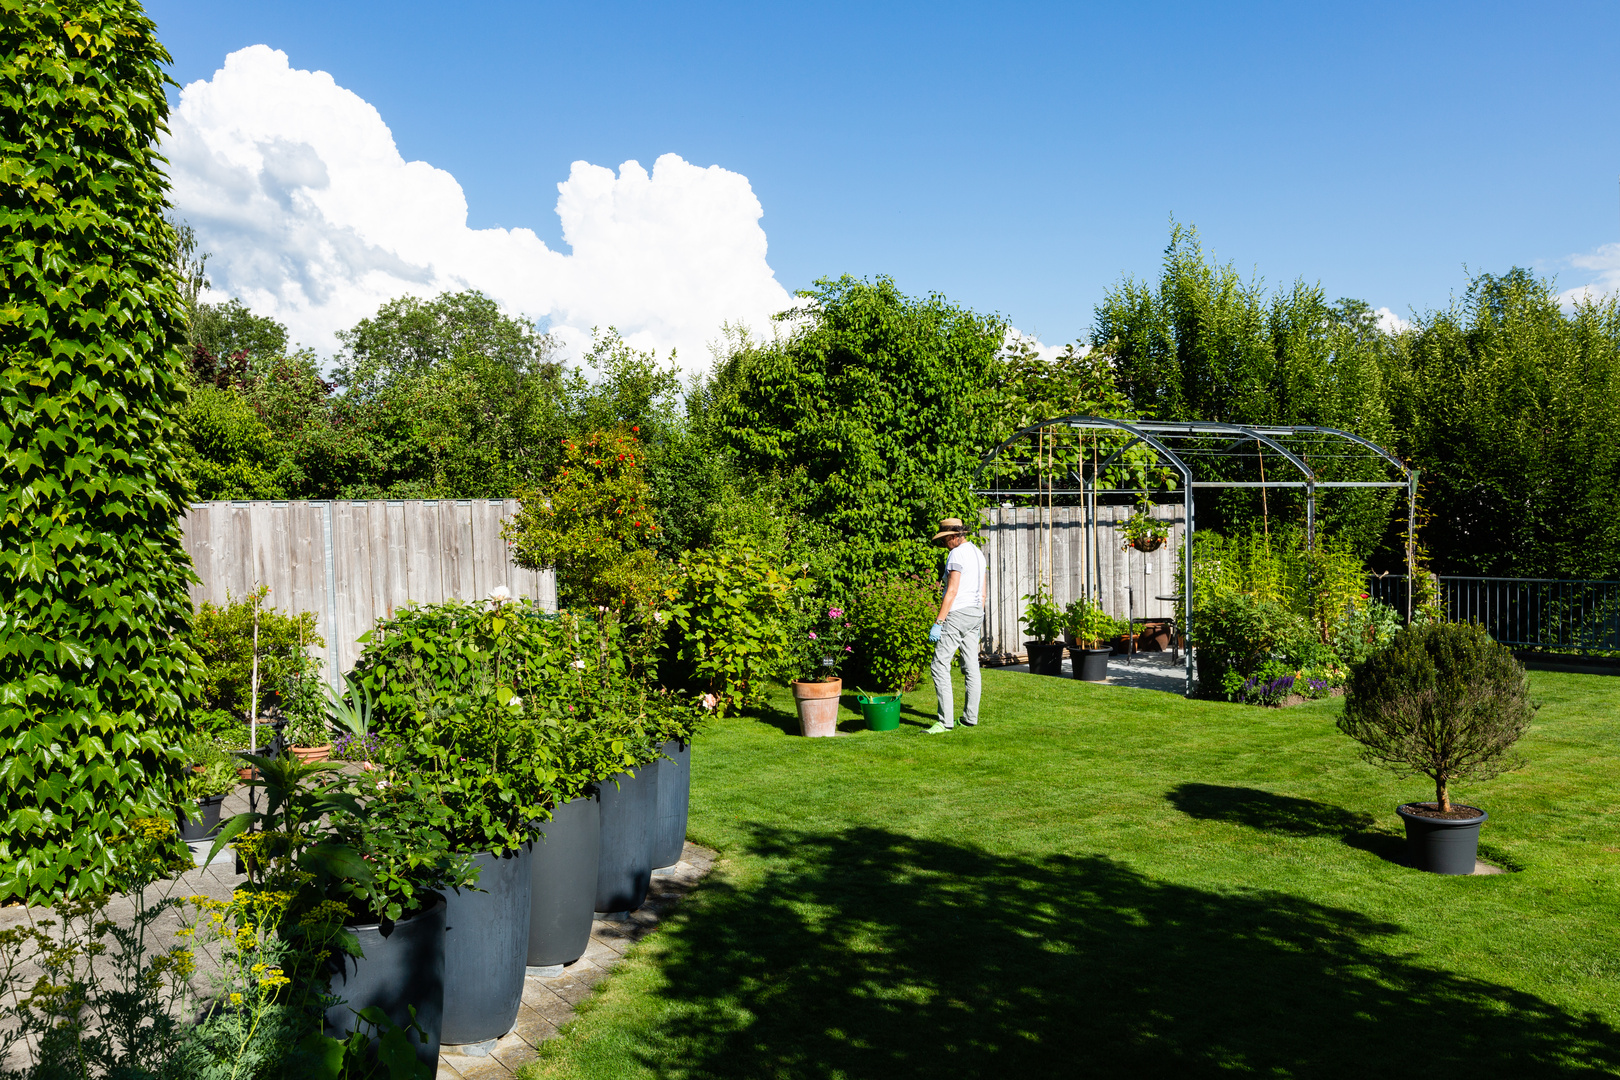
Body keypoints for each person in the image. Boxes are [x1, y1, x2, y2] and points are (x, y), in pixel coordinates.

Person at [925, 517, 988, 734]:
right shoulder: (978, 553)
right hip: (975, 613)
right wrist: (979, 614)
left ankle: (945, 722)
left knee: (939, 665)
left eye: (945, 540)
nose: (944, 545)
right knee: (971, 666)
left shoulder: (956, 554)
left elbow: (952, 591)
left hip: (957, 613)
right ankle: (970, 718)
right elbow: (983, 591)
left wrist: (938, 622)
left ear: (953, 537)